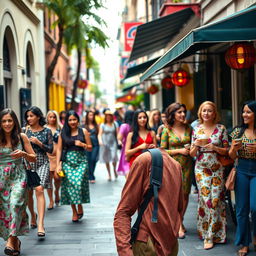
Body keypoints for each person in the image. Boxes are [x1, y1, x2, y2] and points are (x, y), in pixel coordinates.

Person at [113, 149, 184, 256]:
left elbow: (124, 211)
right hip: (160, 242)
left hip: (157, 243)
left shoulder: (146, 160)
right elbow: (179, 208)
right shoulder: (175, 165)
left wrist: (125, 251)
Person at [190, 101, 229, 250]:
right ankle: (208, 235)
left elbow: (227, 150)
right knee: (206, 200)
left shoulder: (221, 129)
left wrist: (214, 147)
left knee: (216, 199)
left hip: (217, 168)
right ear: (200, 113)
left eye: (209, 111)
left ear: (214, 113)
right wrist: (196, 145)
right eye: (204, 111)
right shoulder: (196, 130)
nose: (206, 113)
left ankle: (216, 232)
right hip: (201, 168)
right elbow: (192, 154)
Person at [0, 108, 36, 256]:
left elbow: (33, 157)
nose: (7, 124)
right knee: (4, 210)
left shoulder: (22, 137)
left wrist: (24, 154)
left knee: (15, 205)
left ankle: (10, 241)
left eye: (10, 120)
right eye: (4, 121)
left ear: (14, 121)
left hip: (19, 175)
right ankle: (15, 243)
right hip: (2, 177)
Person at [160, 103, 193, 239]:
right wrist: (179, 150)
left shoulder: (189, 128)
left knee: (185, 195)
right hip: (171, 167)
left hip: (187, 166)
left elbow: (194, 144)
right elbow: (161, 151)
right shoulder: (166, 130)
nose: (183, 114)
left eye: (183, 112)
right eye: (179, 112)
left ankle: (180, 220)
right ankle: (178, 224)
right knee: (174, 196)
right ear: (172, 114)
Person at [229, 100, 256, 256]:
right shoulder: (237, 131)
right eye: (243, 112)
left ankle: (255, 234)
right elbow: (232, 156)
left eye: (248, 112)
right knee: (241, 209)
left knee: (254, 207)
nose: (244, 115)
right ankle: (244, 243)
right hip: (242, 170)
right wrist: (233, 148)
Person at [56, 110, 92, 222]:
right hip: (67, 161)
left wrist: (83, 144)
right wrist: (58, 164)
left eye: (74, 119)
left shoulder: (83, 131)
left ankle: (79, 203)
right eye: (70, 120)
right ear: (66, 121)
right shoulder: (63, 133)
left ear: (78, 120)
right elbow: (59, 148)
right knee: (70, 185)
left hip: (81, 160)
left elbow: (90, 147)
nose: (72, 122)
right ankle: (74, 211)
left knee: (78, 183)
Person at [24, 106, 53, 238]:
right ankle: (33, 216)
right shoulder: (24, 131)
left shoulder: (47, 131)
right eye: (28, 116)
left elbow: (51, 149)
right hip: (28, 163)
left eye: (31, 116)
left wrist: (39, 143)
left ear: (38, 117)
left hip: (42, 162)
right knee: (29, 192)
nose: (29, 118)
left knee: (39, 189)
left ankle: (41, 224)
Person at [45, 110, 62, 209]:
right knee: (48, 180)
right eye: (50, 117)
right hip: (47, 157)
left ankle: (57, 191)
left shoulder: (60, 128)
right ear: (47, 118)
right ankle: (51, 200)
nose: (52, 119)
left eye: (54, 117)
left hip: (57, 157)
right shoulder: (44, 129)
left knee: (57, 177)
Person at [98, 110, 118, 181]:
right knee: (107, 159)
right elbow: (99, 134)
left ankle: (114, 170)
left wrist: (119, 141)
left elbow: (118, 134)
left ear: (111, 116)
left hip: (113, 143)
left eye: (109, 115)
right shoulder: (103, 124)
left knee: (114, 157)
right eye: (107, 115)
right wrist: (100, 141)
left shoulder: (115, 124)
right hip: (105, 143)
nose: (108, 117)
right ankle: (109, 174)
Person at [116, 110, 134, 178]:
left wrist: (120, 142)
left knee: (126, 168)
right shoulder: (135, 126)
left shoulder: (124, 126)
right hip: (136, 148)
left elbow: (119, 137)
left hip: (126, 149)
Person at [83, 110, 99, 184]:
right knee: (88, 160)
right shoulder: (84, 126)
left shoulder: (96, 125)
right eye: (90, 115)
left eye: (92, 115)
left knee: (93, 159)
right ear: (87, 116)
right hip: (87, 145)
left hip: (95, 145)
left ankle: (91, 174)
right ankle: (91, 176)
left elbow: (99, 135)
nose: (91, 117)